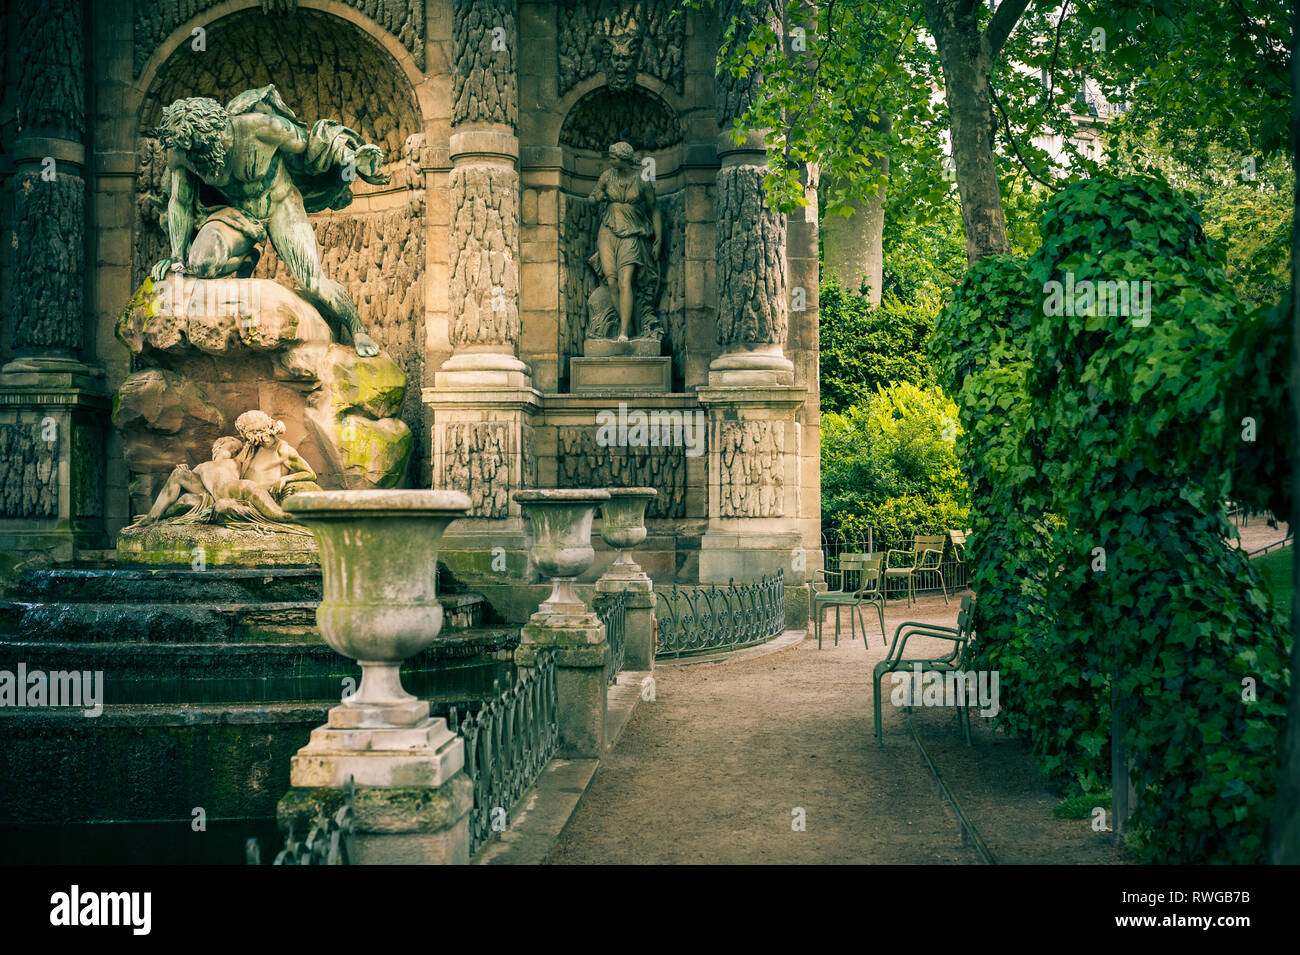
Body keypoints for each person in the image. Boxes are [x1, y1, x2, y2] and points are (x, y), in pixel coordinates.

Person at [149, 85, 387, 357]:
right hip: (236, 216)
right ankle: (247, 257)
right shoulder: (181, 152)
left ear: (212, 135)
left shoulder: (260, 128)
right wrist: (176, 256)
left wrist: (349, 160)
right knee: (200, 263)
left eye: (197, 150)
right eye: (186, 154)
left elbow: (308, 146)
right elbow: (179, 201)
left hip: (280, 205)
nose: (192, 160)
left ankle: (357, 328)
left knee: (312, 282)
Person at [587, 141, 664, 341]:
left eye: (613, 157)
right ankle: (627, 325)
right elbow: (593, 198)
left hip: (632, 234)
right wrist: (595, 198)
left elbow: (654, 209)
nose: (610, 160)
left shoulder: (641, 181)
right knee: (611, 282)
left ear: (624, 159)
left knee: (625, 281)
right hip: (608, 231)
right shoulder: (606, 177)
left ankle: (623, 332)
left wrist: (659, 239)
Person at [135, 436, 292, 527]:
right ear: (219, 444)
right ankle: (153, 516)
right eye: (231, 442)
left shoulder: (237, 461)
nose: (235, 447)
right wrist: (184, 470)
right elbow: (185, 485)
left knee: (258, 494)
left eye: (237, 447)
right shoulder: (202, 466)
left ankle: (290, 517)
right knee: (178, 474)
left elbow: (257, 441)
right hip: (210, 496)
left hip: (233, 489)